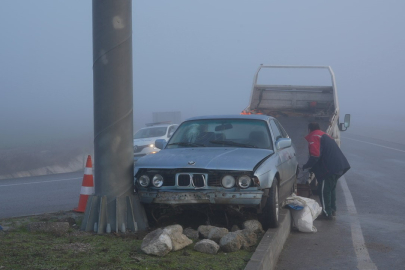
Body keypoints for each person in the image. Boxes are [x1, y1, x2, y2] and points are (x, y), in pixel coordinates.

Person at [302, 122, 350, 220]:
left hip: (329, 168)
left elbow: (315, 155)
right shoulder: (324, 135)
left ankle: (326, 213)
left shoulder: (314, 136)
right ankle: (332, 210)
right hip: (338, 166)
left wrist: (307, 166)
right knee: (330, 190)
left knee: (324, 191)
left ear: (309, 130)